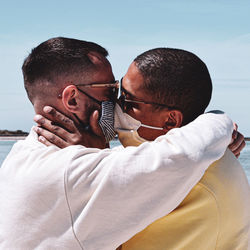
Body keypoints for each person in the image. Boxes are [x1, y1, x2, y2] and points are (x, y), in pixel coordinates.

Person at [0, 37, 238, 250]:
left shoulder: (22, 156)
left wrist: (95, 150)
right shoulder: (76, 171)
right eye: (110, 91)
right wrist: (219, 120)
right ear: (72, 98)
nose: (115, 105)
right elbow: (182, 157)